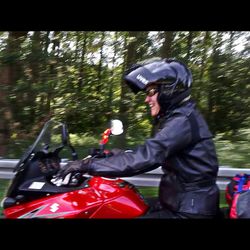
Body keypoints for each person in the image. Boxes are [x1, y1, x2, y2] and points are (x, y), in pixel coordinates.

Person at [57, 57, 220, 218]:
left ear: (169, 90)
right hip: (180, 201)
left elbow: (146, 158)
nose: (146, 99)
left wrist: (87, 165)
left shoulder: (182, 121)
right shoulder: (182, 116)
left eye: (151, 92)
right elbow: (151, 151)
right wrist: (114, 155)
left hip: (190, 210)